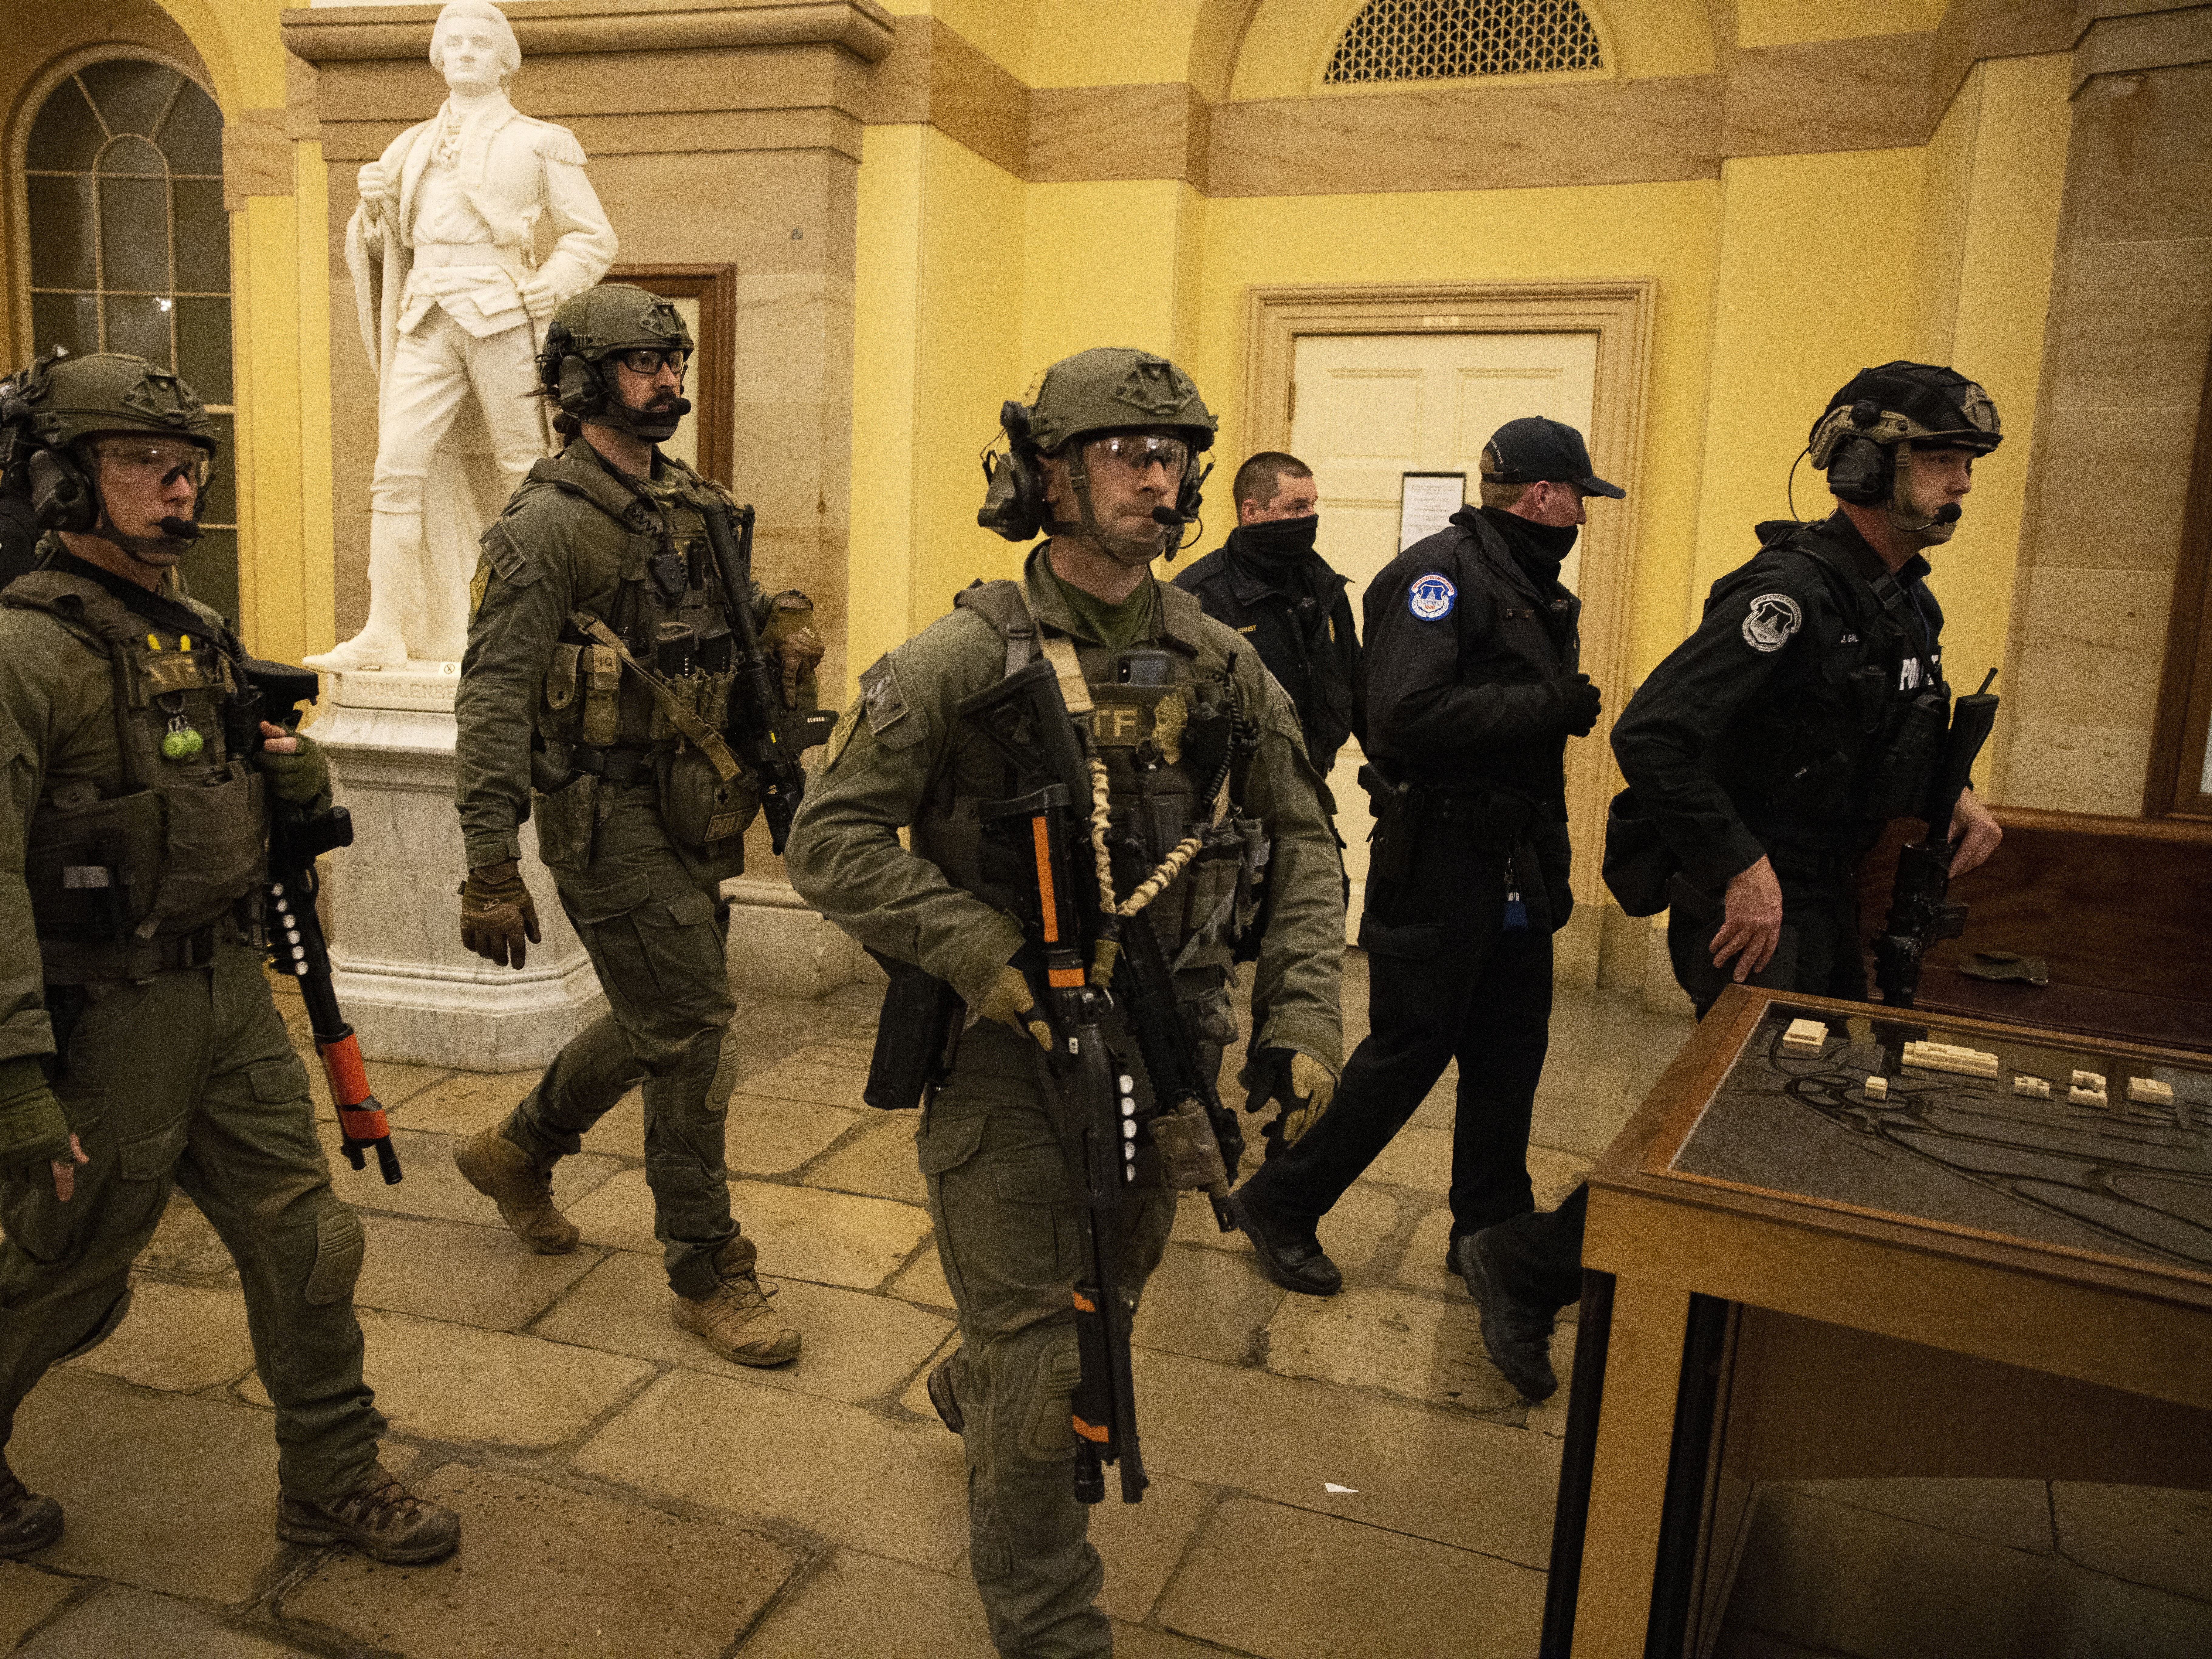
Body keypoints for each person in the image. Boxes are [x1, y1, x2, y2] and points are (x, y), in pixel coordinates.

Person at [784, 347, 1345, 1657]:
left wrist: (1303, 1016)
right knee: (1050, 1373)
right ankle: (1053, 1627)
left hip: (1166, 1054)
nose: (1161, 480)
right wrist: (981, 952)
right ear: (1049, 476)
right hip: (1006, 1059)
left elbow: (1305, 839)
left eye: (1175, 456)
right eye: (1126, 455)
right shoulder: (955, 662)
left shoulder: (1219, 663)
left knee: (1109, 1291)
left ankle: (976, 1371)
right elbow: (830, 839)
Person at [1461, 362, 2008, 1402]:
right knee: (1746, 1118)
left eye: (1964, 464)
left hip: (1825, 889)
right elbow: (1654, 733)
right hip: (1750, 896)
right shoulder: (1786, 595)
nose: (1960, 485)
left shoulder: (1898, 602)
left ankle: (1689, 1296)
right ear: (1862, 462)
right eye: (1939, 461)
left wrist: (1959, 789)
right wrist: (1743, 870)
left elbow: (1885, 721)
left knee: (1799, 1112)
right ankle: (1533, 1266)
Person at [0, 353, 459, 1562]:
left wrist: (289, 784)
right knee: (64, 1271)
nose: (177, 485)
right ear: (61, 481)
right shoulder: (24, 654)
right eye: (144, 463)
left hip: (224, 991)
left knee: (310, 1239)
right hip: (101, 1019)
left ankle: (331, 1474)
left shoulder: (194, 630)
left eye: (190, 464)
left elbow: (204, 790)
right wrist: (16, 1077)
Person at [450, 284, 824, 1367]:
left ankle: (516, 1148)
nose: (669, 380)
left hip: (696, 802)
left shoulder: (694, 501)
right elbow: (492, 697)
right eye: (642, 363)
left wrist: (782, 635)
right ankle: (708, 1266)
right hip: (604, 816)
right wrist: (487, 862)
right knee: (696, 1031)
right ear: (580, 381)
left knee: (662, 1013)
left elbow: (726, 625)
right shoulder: (544, 529)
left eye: (673, 360)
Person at [1218, 416, 1615, 1300]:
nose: (1585, 514)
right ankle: (1281, 1201)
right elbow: (1401, 715)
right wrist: (1540, 703)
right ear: (1544, 494)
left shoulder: (1530, 584)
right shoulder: (1440, 576)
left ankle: (1491, 1229)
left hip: (1510, 859)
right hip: (1438, 855)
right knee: (1411, 1048)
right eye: (1579, 496)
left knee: (1512, 1046)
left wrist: (1550, 864)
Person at [308, 0, 615, 670]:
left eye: (482, 41)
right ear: (439, 57)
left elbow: (593, 235)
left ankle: (531, 625)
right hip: (426, 314)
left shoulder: (539, 141)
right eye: (455, 42)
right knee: (395, 470)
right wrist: (368, 214)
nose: (467, 51)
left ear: (506, 61)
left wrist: (553, 280)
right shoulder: (409, 145)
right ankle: (384, 630)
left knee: (524, 475)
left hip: (501, 312)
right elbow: (387, 246)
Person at [1171, 451, 1365, 777]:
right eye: (1297, 508)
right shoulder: (1197, 596)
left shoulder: (1323, 586)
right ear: (1252, 512)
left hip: (1313, 779)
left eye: (1313, 506)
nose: (1310, 518)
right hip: (1233, 790)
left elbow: (1359, 687)